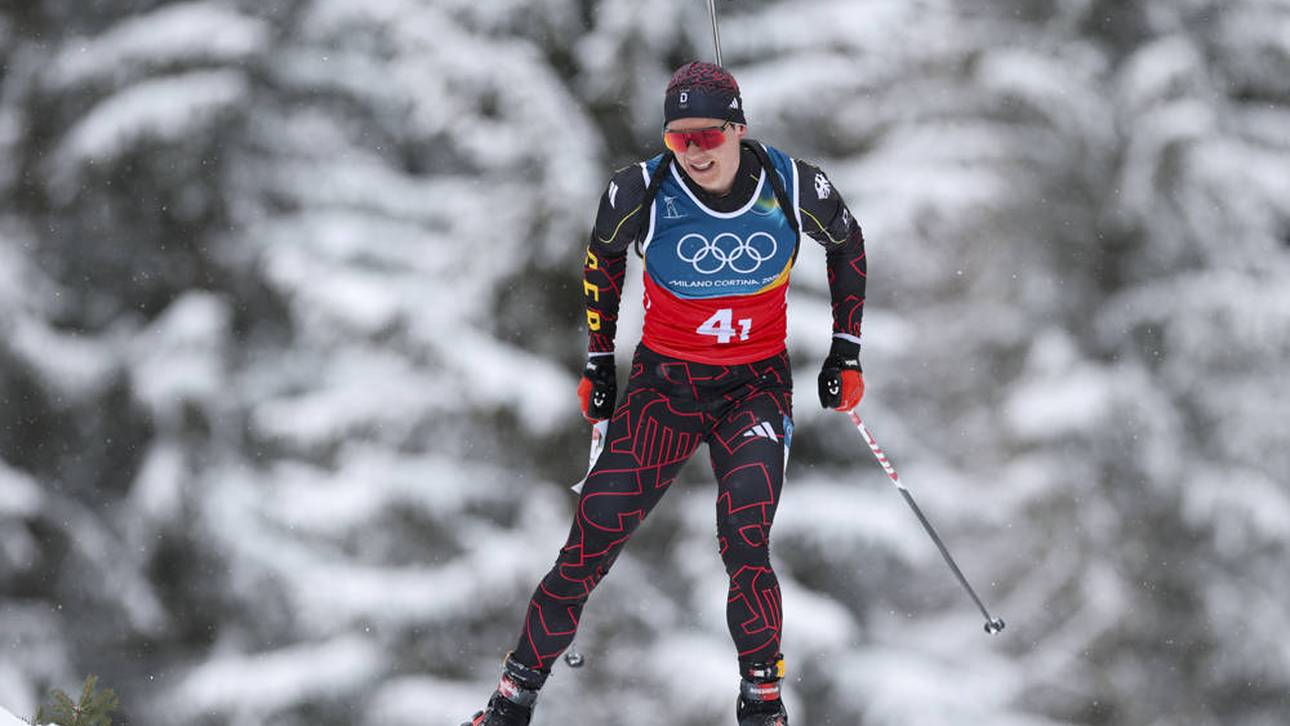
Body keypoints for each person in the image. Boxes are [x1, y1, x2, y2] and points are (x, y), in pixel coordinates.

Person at [464, 61, 866, 726]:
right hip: (666, 390)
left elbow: (846, 242)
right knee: (590, 541)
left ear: (738, 127)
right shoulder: (640, 192)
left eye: (709, 135)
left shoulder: (791, 184)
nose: (696, 152)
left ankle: (762, 704)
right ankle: (510, 702)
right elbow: (602, 261)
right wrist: (600, 363)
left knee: (745, 536)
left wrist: (844, 349)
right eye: (680, 139)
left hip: (754, 389)